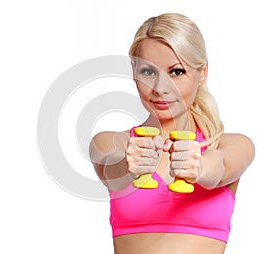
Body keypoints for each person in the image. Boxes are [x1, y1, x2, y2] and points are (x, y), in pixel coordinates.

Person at [89, 13, 255, 254]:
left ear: (203, 72)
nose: (160, 88)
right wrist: (127, 164)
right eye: (148, 72)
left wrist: (198, 168)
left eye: (176, 72)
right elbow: (111, 169)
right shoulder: (111, 141)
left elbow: (219, 169)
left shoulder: (232, 145)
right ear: (134, 72)